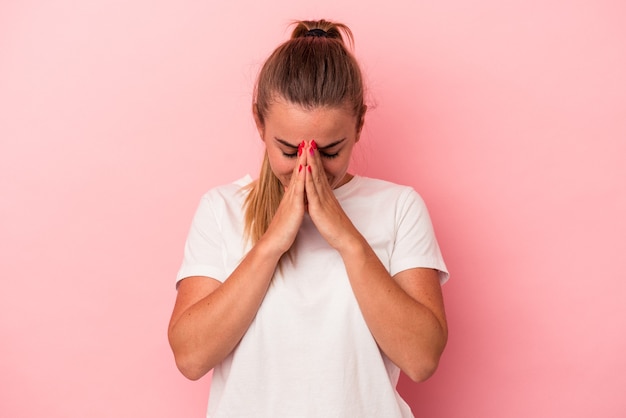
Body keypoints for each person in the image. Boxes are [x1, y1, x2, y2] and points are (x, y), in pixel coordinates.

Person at [168, 19, 449, 418]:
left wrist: (347, 239)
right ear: (259, 123)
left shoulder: (400, 207)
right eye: (288, 149)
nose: (308, 165)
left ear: (359, 125)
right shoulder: (220, 209)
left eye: (330, 151)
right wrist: (271, 244)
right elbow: (190, 357)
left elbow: (422, 360)